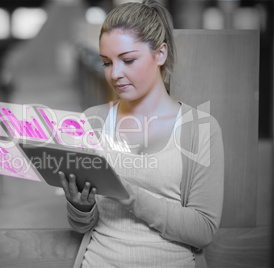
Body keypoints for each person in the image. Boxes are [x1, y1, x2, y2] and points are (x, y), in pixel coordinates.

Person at [58, 1, 224, 267]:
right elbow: (82, 226)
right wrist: (81, 206)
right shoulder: (92, 121)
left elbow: (203, 230)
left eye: (128, 60)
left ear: (160, 54)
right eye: (106, 63)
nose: (115, 74)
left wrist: (129, 195)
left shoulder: (199, 128)